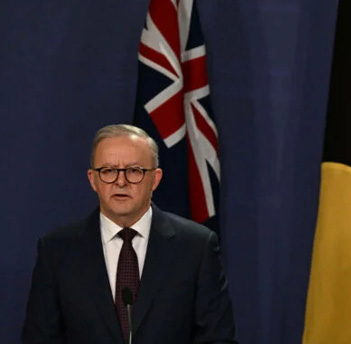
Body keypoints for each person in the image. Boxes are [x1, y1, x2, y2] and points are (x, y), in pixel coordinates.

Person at [22, 124, 236, 343]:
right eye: (108, 171)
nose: (121, 181)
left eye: (134, 171)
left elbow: (217, 338)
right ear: (92, 179)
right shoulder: (57, 251)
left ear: (155, 179)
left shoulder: (196, 247)